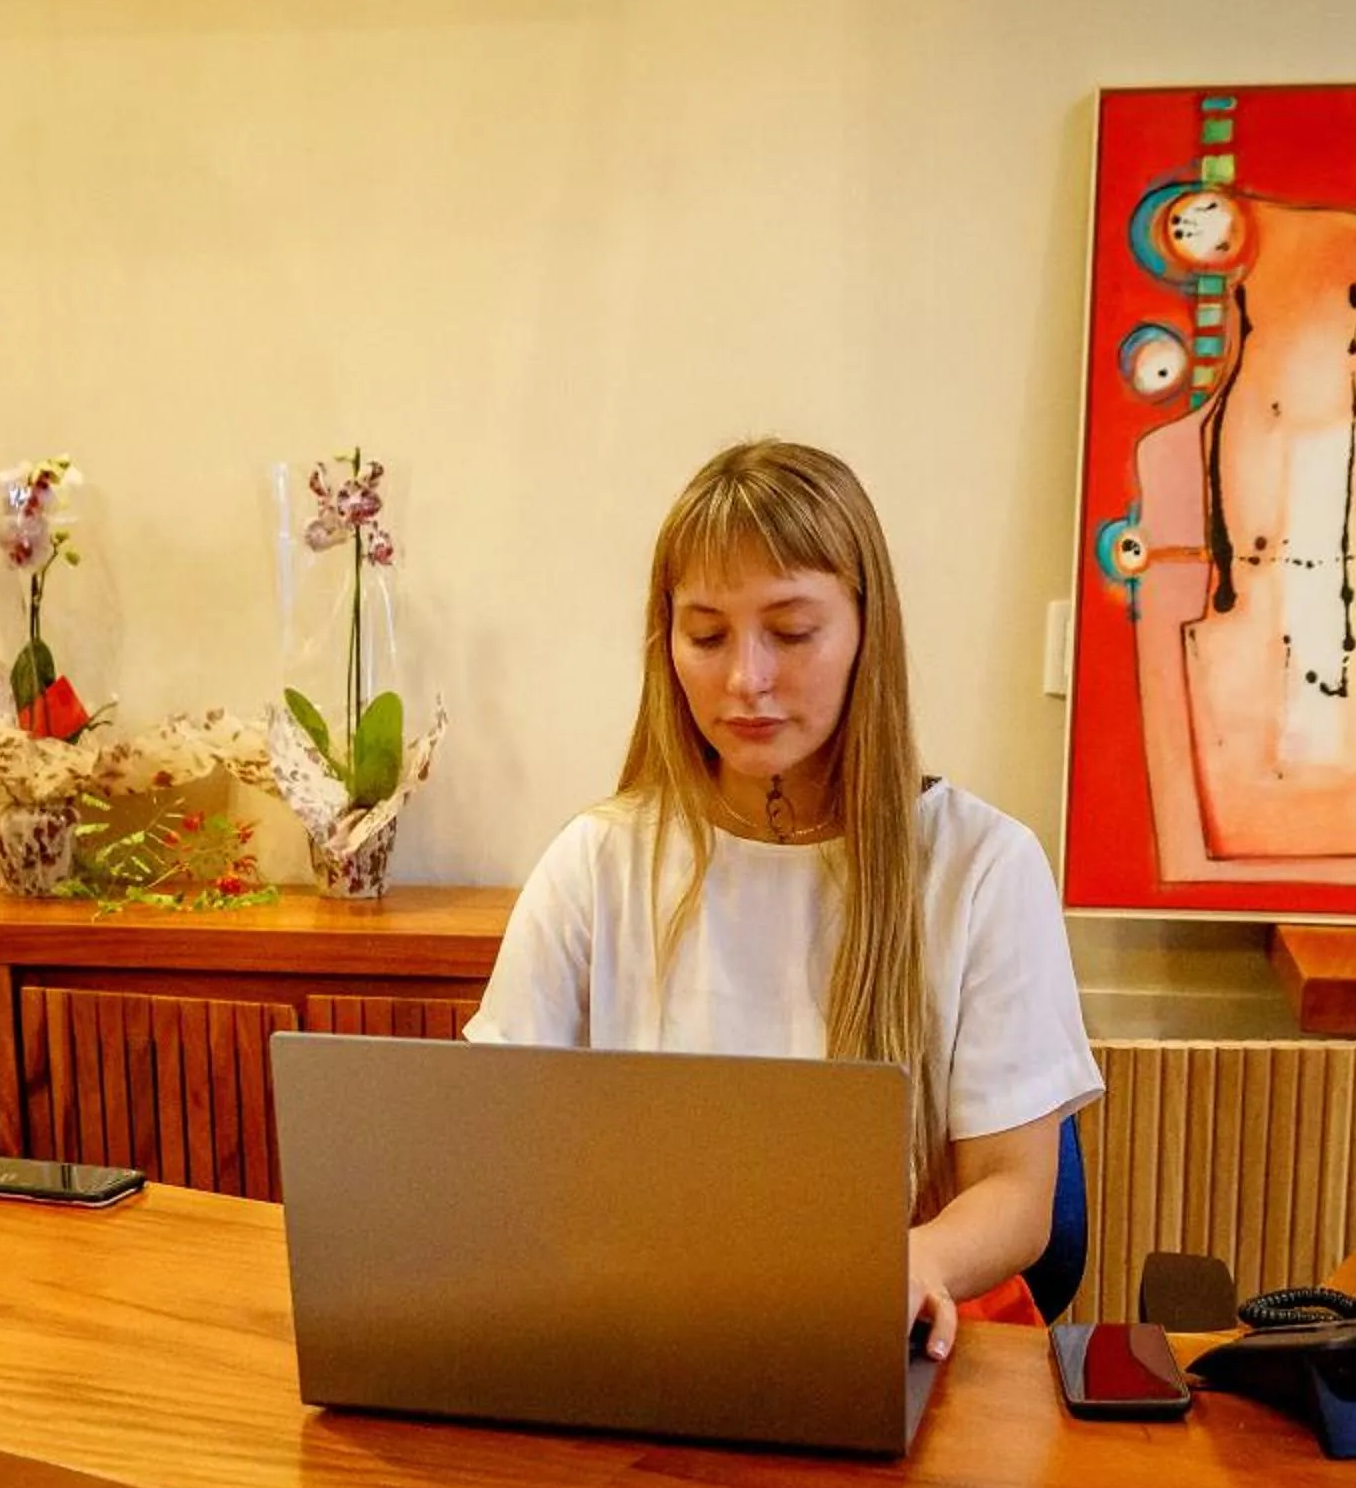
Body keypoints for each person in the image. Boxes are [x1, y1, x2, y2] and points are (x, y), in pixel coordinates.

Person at [467, 439, 1102, 1359]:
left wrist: (910, 1265)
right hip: (650, 1331)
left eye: (792, 633)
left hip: (896, 1343)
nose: (745, 680)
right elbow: (495, 1141)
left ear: (866, 631)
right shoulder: (596, 861)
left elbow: (1016, 1194)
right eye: (706, 635)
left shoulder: (984, 867)